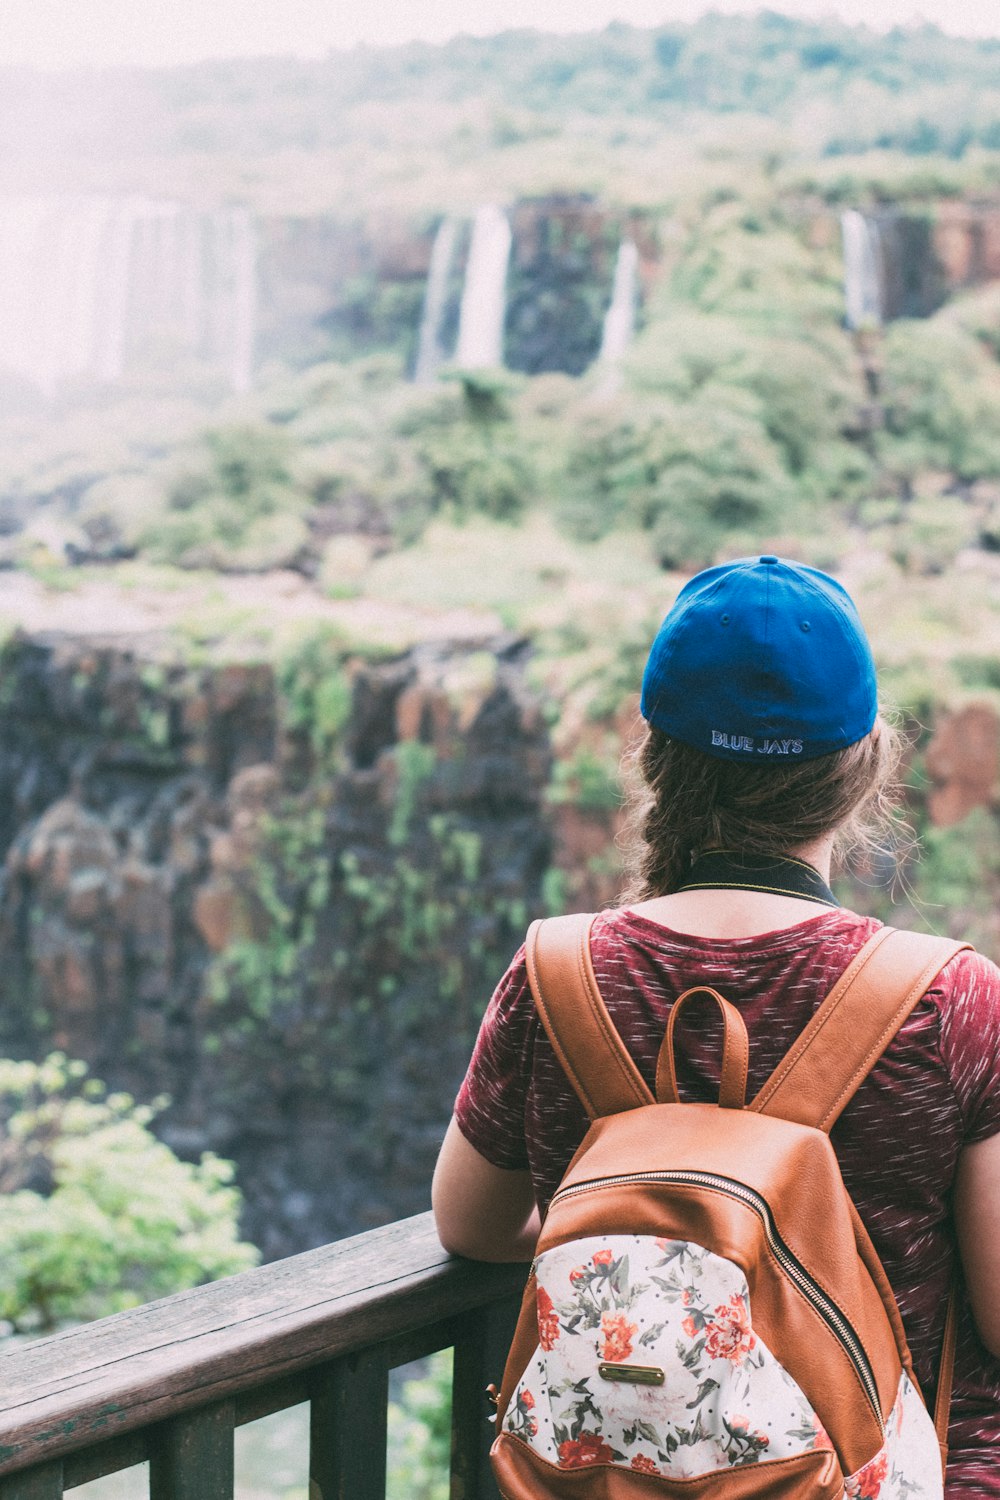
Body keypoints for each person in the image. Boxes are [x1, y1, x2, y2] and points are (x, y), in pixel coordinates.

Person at [432, 554, 1000, 1496]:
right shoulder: (949, 999)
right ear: (863, 768)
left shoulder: (555, 975)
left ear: (657, 757)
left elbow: (472, 1224)